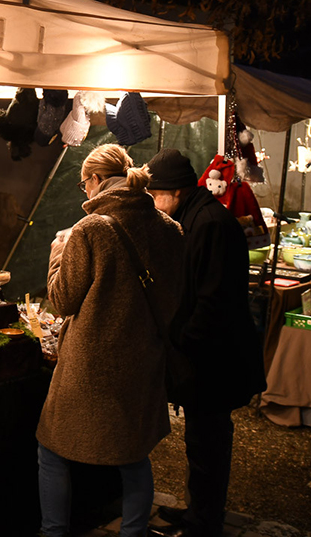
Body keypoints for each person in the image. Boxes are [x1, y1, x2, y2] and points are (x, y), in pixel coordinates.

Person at [37, 144, 184, 537]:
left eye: (85, 183)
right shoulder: (170, 228)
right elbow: (173, 296)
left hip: (90, 365)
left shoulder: (90, 229)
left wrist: (56, 254)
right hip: (144, 359)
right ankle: (133, 532)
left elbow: (63, 299)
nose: (85, 192)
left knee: (51, 450)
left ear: (97, 180)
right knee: (133, 455)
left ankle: (54, 533)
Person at [144, 148, 267, 537]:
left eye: (155, 196)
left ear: (176, 192)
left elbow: (214, 299)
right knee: (200, 441)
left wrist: (182, 340)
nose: (153, 205)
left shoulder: (210, 223)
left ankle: (204, 523)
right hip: (207, 353)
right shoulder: (194, 217)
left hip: (216, 357)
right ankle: (198, 510)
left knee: (208, 443)